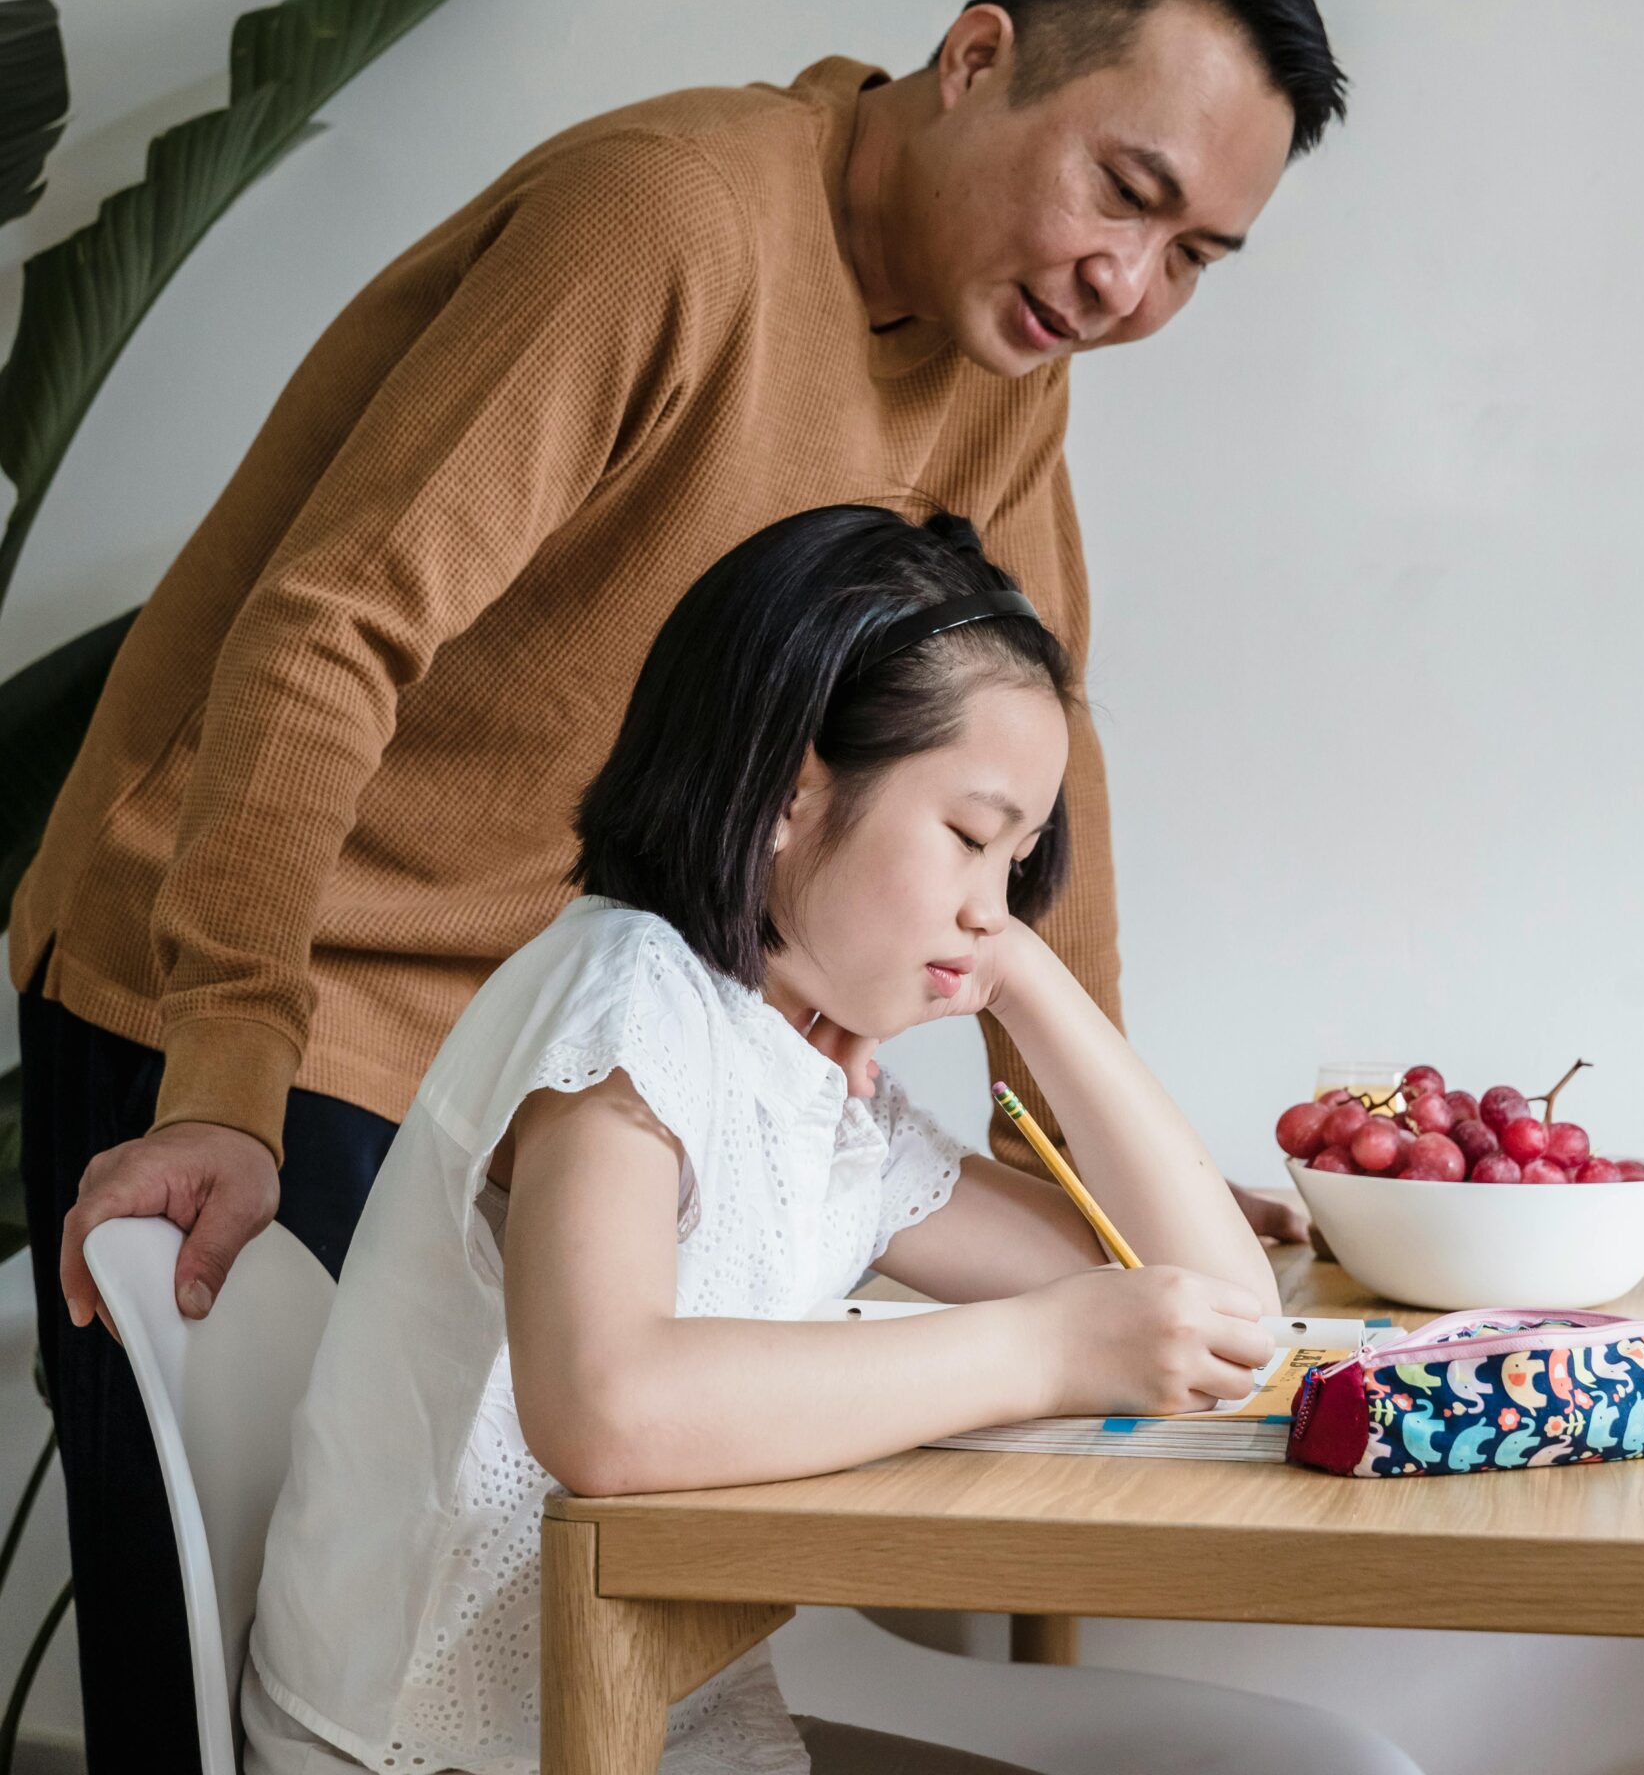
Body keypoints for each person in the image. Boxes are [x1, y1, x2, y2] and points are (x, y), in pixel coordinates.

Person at [15, 0, 1345, 1769]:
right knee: (242, 1656)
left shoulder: (1001, 360)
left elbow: (1046, 783)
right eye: (1125, 196)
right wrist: (229, 1056)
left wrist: (1087, 1167)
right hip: (282, 959)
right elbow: (329, 629)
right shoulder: (667, 220)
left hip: (573, 1005)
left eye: (1198, 252)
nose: (1134, 286)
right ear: (976, 61)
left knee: (546, 1584)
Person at [241, 506, 1418, 1775]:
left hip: (641, 1711)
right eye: (970, 838)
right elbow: (605, 1407)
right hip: (459, 1746)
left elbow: (1225, 1311)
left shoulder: (809, 1077)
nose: (991, 901)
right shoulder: (628, 992)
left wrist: (1025, 969)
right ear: (794, 792)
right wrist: (1042, 1348)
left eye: (1020, 862)